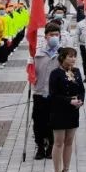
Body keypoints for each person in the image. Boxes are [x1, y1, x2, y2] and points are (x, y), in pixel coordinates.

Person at [48, 47, 85, 172]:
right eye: (70, 56)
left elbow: (81, 89)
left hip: (73, 111)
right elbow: (53, 94)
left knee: (69, 141)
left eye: (75, 56)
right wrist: (69, 101)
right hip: (59, 111)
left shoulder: (76, 72)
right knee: (59, 142)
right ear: (63, 58)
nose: (73, 59)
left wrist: (80, 100)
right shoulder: (55, 73)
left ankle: (66, 171)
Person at [32, 25, 62, 160]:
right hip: (39, 93)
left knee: (53, 122)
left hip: (55, 96)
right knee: (39, 122)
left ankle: (51, 146)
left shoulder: (63, 54)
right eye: (51, 35)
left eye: (56, 34)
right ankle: (39, 146)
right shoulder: (37, 53)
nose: (54, 37)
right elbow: (32, 72)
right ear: (45, 36)